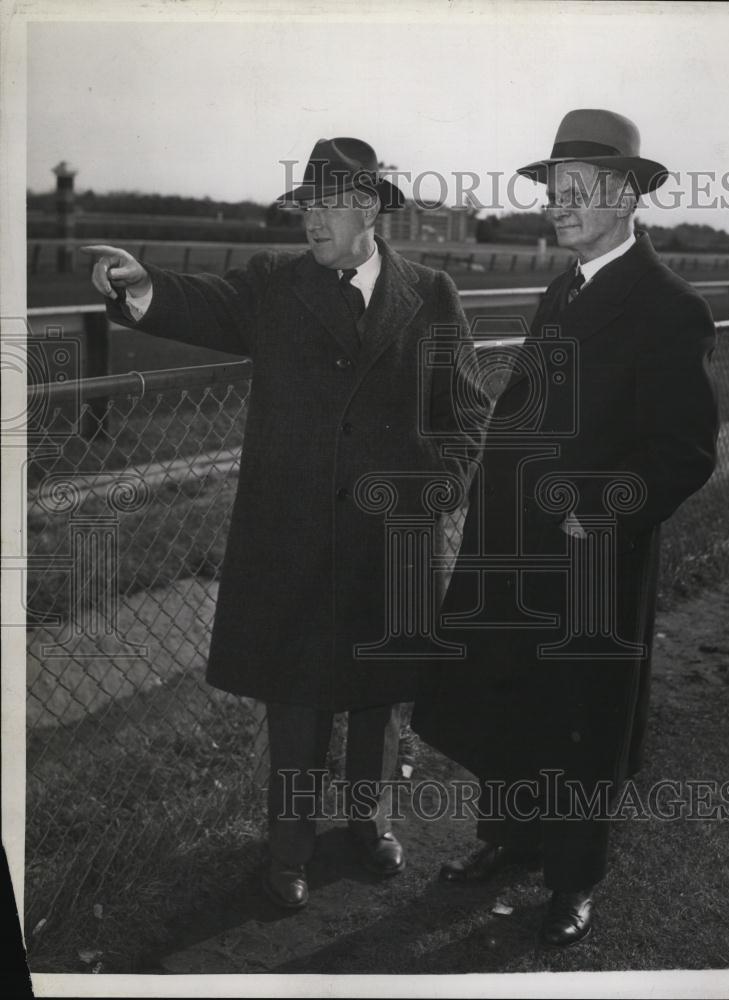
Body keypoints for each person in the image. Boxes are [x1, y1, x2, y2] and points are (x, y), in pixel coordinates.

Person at [82, 137, 483, 911]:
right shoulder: (274, 285)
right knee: (296, 700)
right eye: (305, 205)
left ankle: (370, 822)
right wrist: (140, 285)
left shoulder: (430, 293)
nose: (310, 220)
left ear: (368, 208)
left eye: (329, 204)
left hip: (389, 541)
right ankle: (288, 851)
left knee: (378, 696)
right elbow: (201, 302)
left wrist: (432, 494)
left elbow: (465, 413)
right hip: (292, 538)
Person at [413, 109, 719, 946]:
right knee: (511, 692)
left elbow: (684, 452)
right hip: (515, 546)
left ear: (626, 195)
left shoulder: (668, 307)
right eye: (554, 192)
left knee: (583, 716)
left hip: (591, 558)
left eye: (577, 192)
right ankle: (506, 840)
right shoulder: (562, 290)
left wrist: (599, 512)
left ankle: (573, 880)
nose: (559, 206)